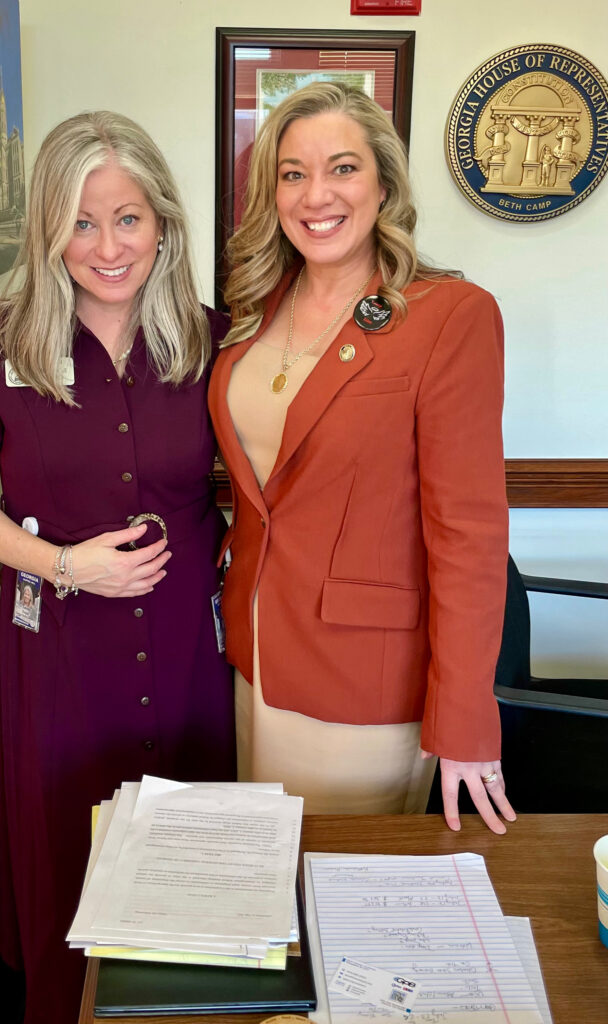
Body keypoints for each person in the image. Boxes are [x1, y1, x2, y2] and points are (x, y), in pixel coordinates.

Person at [0, 111, 235, 1024]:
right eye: (82, 222)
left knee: (191, 838)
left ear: (162, 222)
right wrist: (66, 564)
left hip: (187, 641)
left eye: (128, 218)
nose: (108, 247)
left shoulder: (213, 340)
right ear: (47, 229)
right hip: (62, 642)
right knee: (70, 832)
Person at [209, 82, 516, 834]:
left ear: (384, 184)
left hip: (364, 679)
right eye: (293, 174)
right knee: (266, 876)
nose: (316, 195)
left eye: (343, 168)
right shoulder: (256, 307)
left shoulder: (450, 316)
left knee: (348, 887)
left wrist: (465, 719)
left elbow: (469, 535)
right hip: (252, 655)